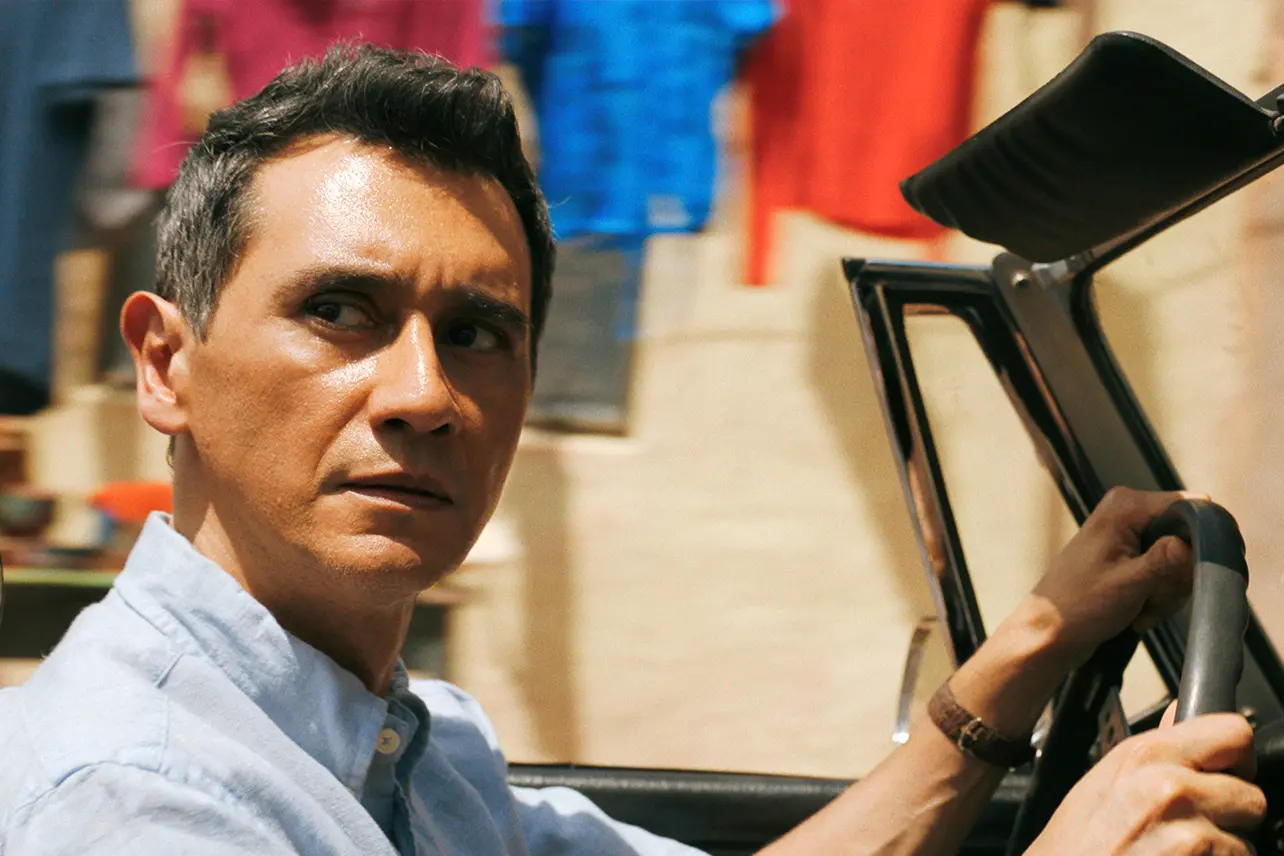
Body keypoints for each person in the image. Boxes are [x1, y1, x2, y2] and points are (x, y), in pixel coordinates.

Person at [0, 45, 1265, 856]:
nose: (426, 394)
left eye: (479, 332)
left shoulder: (413, 747)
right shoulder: (140, 798)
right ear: (164, 364)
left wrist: (1031, 648)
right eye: (340, 310)